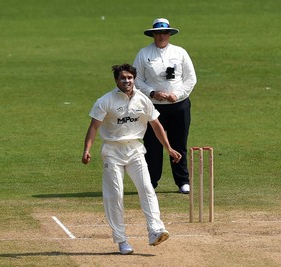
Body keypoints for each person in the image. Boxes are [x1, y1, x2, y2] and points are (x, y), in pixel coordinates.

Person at [81, 64, 182, 255]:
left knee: (146, 188)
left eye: (129, 78)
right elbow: (94, 126)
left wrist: (168, 148)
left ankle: (155, 230)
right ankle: (121, 240)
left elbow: (156, 124)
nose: (126, 81)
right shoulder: (105, 101)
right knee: (115, 195)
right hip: (112, 150)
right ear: (116, 80)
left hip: (135, 149)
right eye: (122, 78)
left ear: (134, 79)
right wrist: (87, 149)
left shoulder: (143, 99)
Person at [133, 18, 197, 194]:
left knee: (179, 143)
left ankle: (183, 181)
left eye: (165, 32)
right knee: (152, 145)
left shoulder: (180, 52)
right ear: (153, 34)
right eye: (158, 33)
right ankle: (151, 182)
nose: (161, 36)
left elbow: (191, 78)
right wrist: (153, 93)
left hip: (179, 105)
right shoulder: (143, 53)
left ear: (169, 34)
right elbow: (137, 79)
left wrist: (177, 94)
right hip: (153, 107)